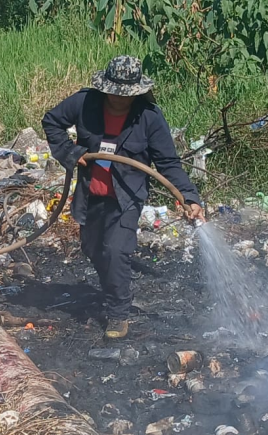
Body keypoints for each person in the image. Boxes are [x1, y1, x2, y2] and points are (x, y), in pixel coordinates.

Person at [42, 55, 204, 339]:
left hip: (126, 196)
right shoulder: (84, 103)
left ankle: (118, 313)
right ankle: (112, 290)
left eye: (125, 95)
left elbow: (168, 164)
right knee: (94, 249)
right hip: (91, 193)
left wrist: (189, 197)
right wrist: (70, 152)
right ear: (106, 87)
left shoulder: (149, 117)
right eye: (114, 93)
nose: (118, 99)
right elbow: (52, 122)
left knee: (117, 251)